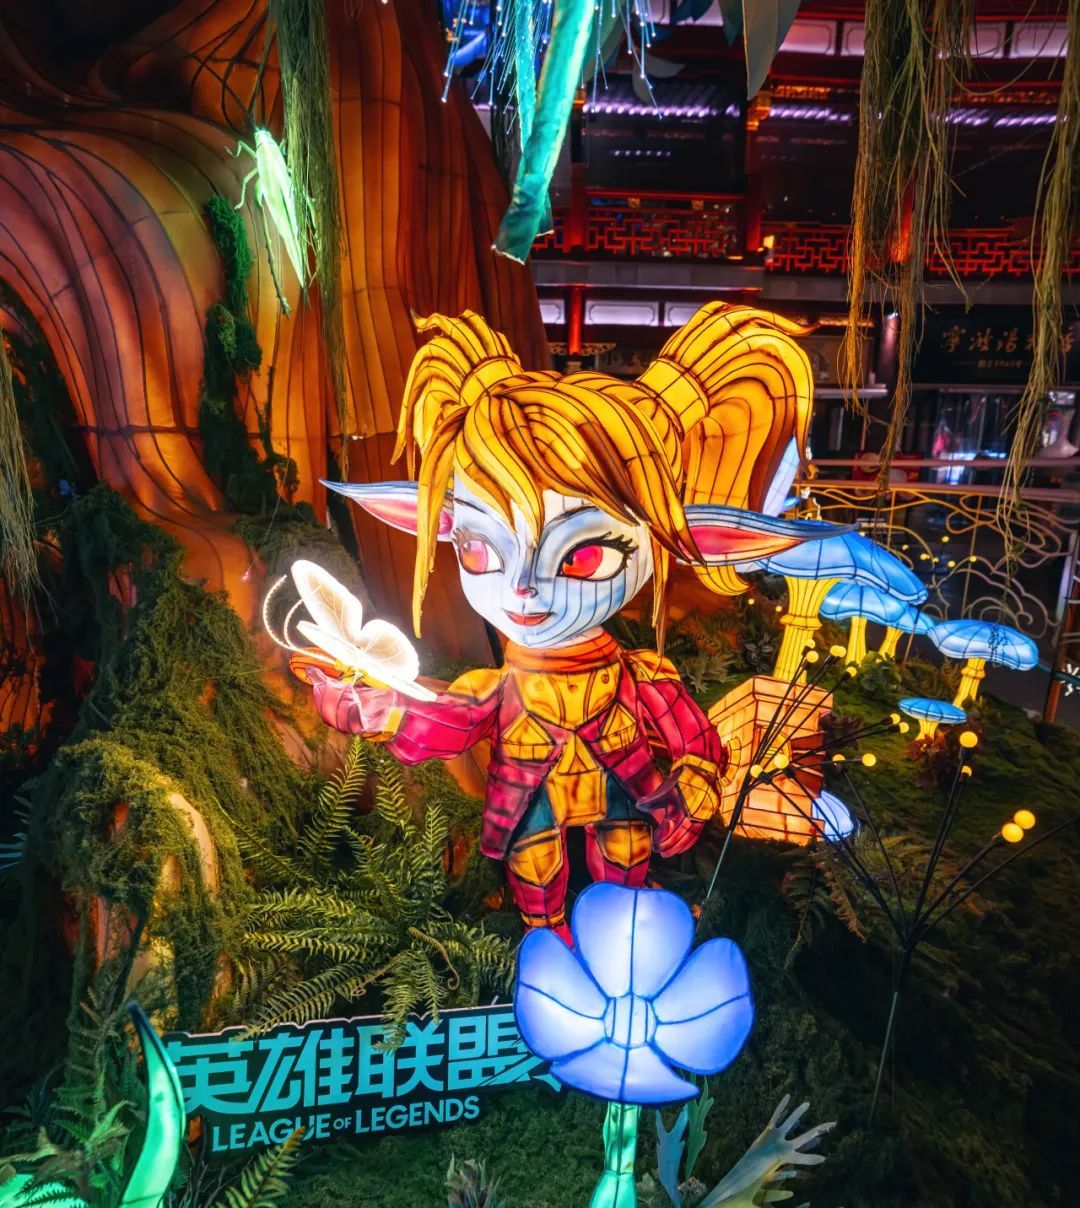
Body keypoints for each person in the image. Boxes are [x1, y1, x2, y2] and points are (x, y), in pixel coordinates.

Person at [309, 303, 831, 936]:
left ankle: (622, 941)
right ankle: (548, 947)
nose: (522, 589)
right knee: (536, 878)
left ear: (663, 541)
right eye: (480, 549)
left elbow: (693, 740)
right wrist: (380, 710)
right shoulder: (500, 688)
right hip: (530, 797)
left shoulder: (641, 677)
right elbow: (453, 719)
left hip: (625, 789)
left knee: (626, 867)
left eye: (583, 555)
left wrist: (695, 781)